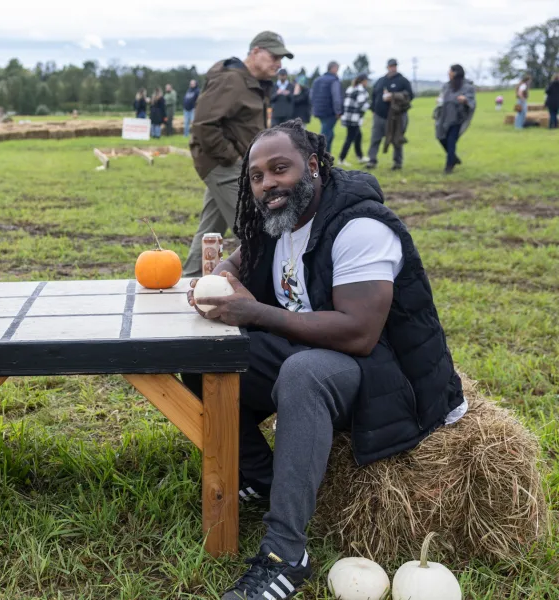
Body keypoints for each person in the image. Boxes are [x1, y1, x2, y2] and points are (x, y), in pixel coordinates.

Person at [184, 119, 465, 600]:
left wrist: (254, 311)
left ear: (312, 166)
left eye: (279, 169)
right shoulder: (282, 217)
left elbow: (359, 333)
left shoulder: (359, 226)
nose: (267, 184)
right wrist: (226, 273)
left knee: (303, 372)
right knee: (201, 356)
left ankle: (286, 554)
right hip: (317, 349)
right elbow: (246, 255)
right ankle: (264, 478)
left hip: (383, 370)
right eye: (256, 176)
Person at [182, 31, 293, 278]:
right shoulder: (231, 80)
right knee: (255, 225)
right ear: (255, 52)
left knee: (210, 228)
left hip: (237, 165)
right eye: (273, 56)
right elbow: (203, 124)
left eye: (281, 58)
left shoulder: (250, 83)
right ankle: (263, 289)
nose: (278, 63)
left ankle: (188, 278)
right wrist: (233, 158)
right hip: (224, 165)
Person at [367, 59, 413, 170]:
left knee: (397, 140)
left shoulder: (403, 81)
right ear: (387, 67)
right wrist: (373, 109)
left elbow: (409, 96)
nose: (393, 68)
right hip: (379, 115)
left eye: (394, 66)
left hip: (396, 117)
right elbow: (374, 95)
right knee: (375, 138)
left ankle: (397, 163)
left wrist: (393, 96)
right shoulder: (380, 81)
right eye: (391, 66)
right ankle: (372, 161)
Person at [434, 64, 476, 174]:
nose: (448, 73)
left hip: (457, 117)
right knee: (441, 137)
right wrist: (439, 100)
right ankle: (453, 158)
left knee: (451, 141)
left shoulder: (467, 86)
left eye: (450, 71)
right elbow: (443, 97)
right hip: (445, 117)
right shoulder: (446, 86)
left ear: (456, 73)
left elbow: (471, 101)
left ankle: (449, 166)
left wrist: (465, 100)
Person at [338, 73, 370, 166]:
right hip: (354, 119)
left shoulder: (350, 88)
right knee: (350, 138)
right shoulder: (360, 90)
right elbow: (362, 105)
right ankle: (341, 158)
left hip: (348, 117)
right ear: (363, 81)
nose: (367, 83)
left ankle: (360, 157)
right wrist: (370, 105)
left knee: (358, 136)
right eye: (366, 81)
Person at [310, 61, 342, 153]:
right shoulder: (334, 80)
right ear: (334, 68)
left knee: (329, 134)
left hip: (319, 111)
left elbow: (311, 95)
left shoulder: (317, 80)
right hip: (330, 112)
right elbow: (336, 97)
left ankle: (327, 155)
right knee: (325, 135)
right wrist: (338, 111)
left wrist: (315, 107)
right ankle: (320, 156)